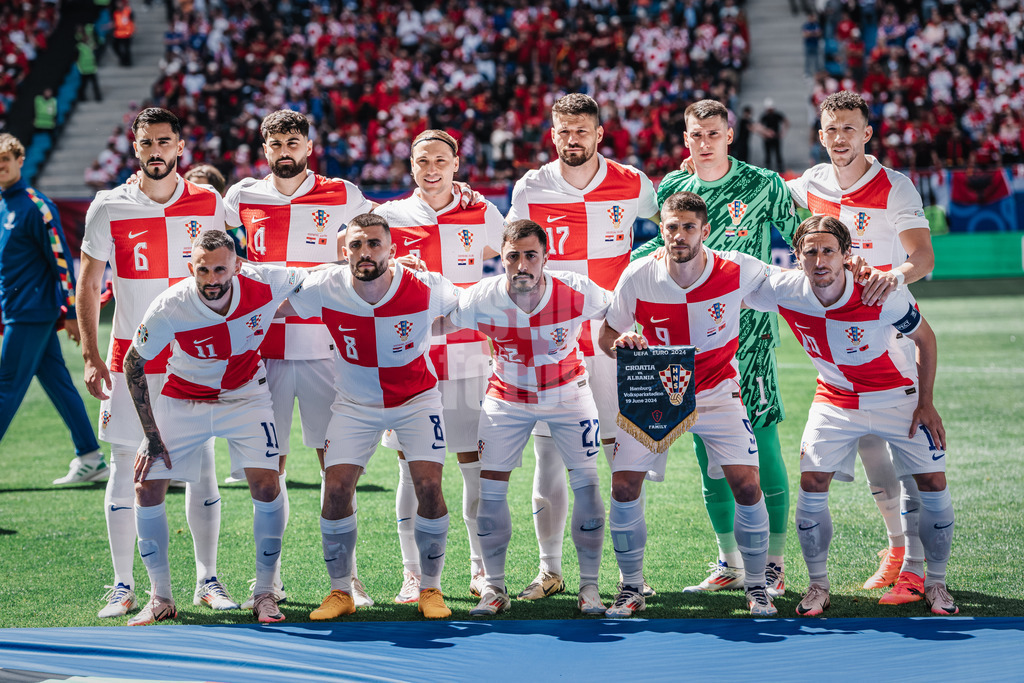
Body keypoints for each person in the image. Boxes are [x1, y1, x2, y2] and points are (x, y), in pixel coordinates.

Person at [743, 215, 957, 617]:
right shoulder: (783, 288)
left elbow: (924, 337)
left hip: (898, 397)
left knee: (933, 482)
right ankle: (818, 586)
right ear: (797, 256)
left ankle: (937, 584)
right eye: (810, 252)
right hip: (836, 400)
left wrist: (926, 402)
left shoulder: (879, 291)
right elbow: (724, 281)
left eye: (828, 251)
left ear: (846, 255)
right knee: (811, 481)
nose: (819, 260)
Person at [632, 100, 798, 597]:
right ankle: (728, 558)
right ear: (686, 140)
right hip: (689, 344)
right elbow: (653, 251)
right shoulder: (670, 188)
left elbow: (803, 235)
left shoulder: (765, 185)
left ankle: (773, 562)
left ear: (730, 135)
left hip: (749, 341)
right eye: (695, 135)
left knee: (763, 448)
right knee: (710, 453)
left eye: (713, 133)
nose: (704, 142)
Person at [78, 108, 234, 619]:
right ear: (135, 147)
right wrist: (89, 352)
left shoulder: (209, 203)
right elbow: (87, 281)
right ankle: (123, 585)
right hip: (131, 358)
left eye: (164, 142)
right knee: (125, 467)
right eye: (147, 143)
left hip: (192, 358)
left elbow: (231, 272)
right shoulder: (108, 206)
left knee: (202, 467)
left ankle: (207, 579)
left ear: (180, 147)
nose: (155, 151)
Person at [505, 93, 658, 601]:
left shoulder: (633, 182)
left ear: (598, 134)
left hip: (616, 340)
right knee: (550, 458)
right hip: (555, 343)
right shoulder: (531, 187)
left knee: (622, 457)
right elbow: (516, 258)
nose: (572, 139)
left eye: (581, 131)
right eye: (563, 131)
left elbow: (667, 234)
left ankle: (627, 575)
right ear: (553, 134)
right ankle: (549, 570)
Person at [787, 90, 936, 605]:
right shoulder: (811, 183)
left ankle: (916, 571)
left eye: (850, 128)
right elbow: (762, 190)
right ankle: (897, 550)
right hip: (840, 337)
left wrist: (889, 278)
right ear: (821, 134)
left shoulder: (895, 187)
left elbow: (923, 257)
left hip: (891, 334)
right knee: (871, 445)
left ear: (867, 133)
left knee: (908, 447)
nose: (840, 138)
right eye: (831, 129)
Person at [598, 191, 776, 617]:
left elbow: (795, 284)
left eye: (688, 227)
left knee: (748, 485)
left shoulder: (735, 269)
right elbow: (606, 335)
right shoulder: (638, 274)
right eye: (671, 227)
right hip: (656, 389)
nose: (678, 235)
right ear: (661, 229)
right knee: (623, 486)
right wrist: (620, 344)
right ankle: (631, 586)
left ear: (705, 230)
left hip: (717, 390)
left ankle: (756, 587)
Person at [223, 109, 374, 609]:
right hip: (263, 352)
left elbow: (376, 243)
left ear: (308, 145)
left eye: (292, 142)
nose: (284, 151)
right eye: (275, 144)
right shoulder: (242, 196)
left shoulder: (343, 194)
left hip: (326, 350)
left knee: (338, 466)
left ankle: (347, 579)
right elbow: (219, 251)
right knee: (268, 470)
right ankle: (268, 581)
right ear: (264, 149)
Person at [280, 213, 460, 621]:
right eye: (357, 245)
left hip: (416, 399)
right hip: (354, 404)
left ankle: (430, 588)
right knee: (337, 487)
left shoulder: (425, 285)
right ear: (344, 252)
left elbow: (464, 310)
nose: (365, 253)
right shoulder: (325, 285)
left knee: (429, 485)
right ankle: (340, 591)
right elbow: (274, 298)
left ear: (392, 251)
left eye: (374, 244)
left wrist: (428, 331)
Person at [123, 230, 305, 625]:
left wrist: (388, 268)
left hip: (245, 395)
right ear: (191, 267)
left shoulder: (266, 280)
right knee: (146, 484)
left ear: (237, 266)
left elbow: (318, 277)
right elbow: (132, 362)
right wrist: (152, 437)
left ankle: (265, 593)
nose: (211, 278)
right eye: (202, 269)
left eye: (220, 268)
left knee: (268, 484)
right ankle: (161, 597)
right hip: (185, 397)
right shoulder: (170, 304)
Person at [445, 219, 610, 618]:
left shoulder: (576, 288)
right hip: (507, 399)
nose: (521, 265)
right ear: (501, 259)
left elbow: (620, 308)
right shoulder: (481, 297)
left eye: (530, 255)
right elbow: (437, 320)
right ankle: (494, 588)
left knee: (586, 486)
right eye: (512, 256)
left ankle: (590, 587)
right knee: (491, 489)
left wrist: (625, 336)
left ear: (545, 258)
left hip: (569, 394)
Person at [373, 129, 503, 603]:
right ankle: (413, 574)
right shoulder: (388, 216)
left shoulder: (482, 211)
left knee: (473, 466)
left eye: (441, 160)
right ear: (411, 166)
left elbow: (511, 257)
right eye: (422, 160)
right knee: (412, 470)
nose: (431, 168)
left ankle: (480, 568)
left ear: (456, 163)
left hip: (468, 354)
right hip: (408, 357)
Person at [0, 133, 105, 481]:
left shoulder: (37, 205)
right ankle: (91, 457)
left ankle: (91, 457)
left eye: (5, 160)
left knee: (6, 386)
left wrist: (70, 312)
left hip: (33, 311)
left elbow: (61, 261)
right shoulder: (3, 204)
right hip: (18, 309)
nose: (0, 167)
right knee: (58, 383)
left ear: (20, 160)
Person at [759, 100, 787, 173]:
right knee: (767, 155)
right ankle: (768, 170)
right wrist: (765, 133)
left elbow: (786, 121)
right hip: (767, 139)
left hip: (776, 138)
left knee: (778, 154)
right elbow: (759, 126)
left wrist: (783, 132)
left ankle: (780, 170)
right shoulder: (764, 116)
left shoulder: (777, 115)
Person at [111, 0, 134, 67]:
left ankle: (128, 62)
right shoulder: (115, 12)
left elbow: (132, 21)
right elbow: (115, 22)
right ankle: (122, 59)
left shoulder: (128, 11)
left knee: (126, 49)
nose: (118, 4)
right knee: (115, 46)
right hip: (118, 33)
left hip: (126, 33)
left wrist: (132, 30)